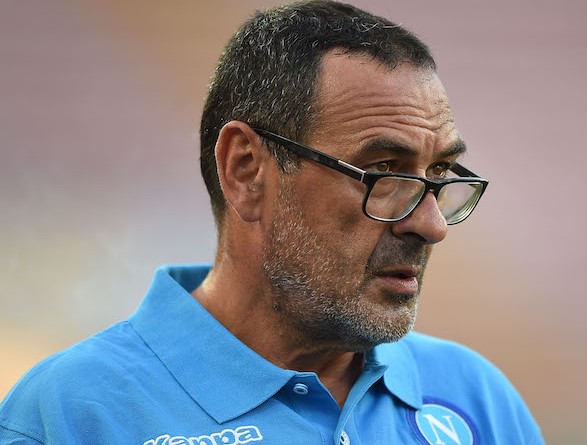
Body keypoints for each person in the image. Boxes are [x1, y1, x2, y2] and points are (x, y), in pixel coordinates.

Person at [0, 1, 544, 444]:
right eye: (383, 170)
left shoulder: (476, 400)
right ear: (246, 170)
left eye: (441, 173)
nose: (431, 225)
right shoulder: (69, 416)